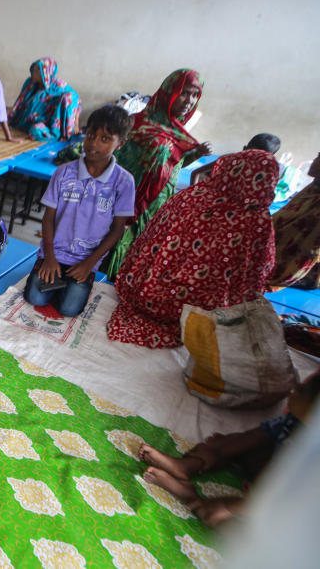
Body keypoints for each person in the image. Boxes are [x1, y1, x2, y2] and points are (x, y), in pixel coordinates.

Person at [107, 149, 279, 348]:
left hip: (145, 288)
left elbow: (149, 240)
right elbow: (259, 271)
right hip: (201, 309)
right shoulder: (256, 220)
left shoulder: (192, 196)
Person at [138, 371, 319, 527]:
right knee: (234, 442)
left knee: (233, 521)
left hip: (287, 500)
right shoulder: (293, 421)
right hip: (274, 468)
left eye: (302, 391)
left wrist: (233, 506)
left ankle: (193, 499)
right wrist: (222, 448)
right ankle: (185, 466)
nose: (294, 390)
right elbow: (256, 436)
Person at [24, 106, 135, 317]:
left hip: (86, 258)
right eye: (91, 135)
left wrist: (89, 264)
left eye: (105, 139)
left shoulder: (123, 182)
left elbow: (118, 229)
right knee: (35, 298)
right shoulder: (64, 173)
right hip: (55, 252)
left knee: (69, 309)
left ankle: (69, 284)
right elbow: (48, 219)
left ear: (120, 143)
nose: (93, 143)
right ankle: (57, 280)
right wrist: (49, 257)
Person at [102, 69, 213, 278]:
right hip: (127, 201)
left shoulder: (179, 134)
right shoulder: (136, 124)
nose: (189, 100)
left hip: (155, 206)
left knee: (136, 255)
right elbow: (112, 162)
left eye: (195, 95)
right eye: (185, 93)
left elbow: (172, 166)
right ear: (168, 92)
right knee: (112, 248)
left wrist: (196, 154)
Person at [270, 152, 320, 289]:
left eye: (319, 158)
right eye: (317, 156)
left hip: (292, 265)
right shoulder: (313, 188)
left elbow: (312, 246)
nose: (315, 161)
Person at [9, 57, 82, 141]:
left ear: (45, 73)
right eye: (33, 69)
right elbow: (19, 102)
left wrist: (76, 124)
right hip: (30, 121)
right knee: (34, 129)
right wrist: (9, 120)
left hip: (49, 122)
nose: (33, 73)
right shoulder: (30, 83)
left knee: (68, 97)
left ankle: (59, 133)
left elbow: (77, 101)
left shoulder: (59, 86)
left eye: (37, 71)